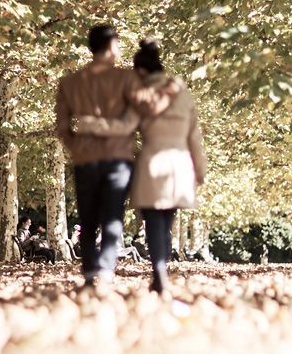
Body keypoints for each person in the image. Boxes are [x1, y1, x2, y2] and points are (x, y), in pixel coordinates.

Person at [76, 38, 207, 295]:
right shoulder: (184, 95)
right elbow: (195, 136)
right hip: (180, 164)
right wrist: (200, 170)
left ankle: (159, 271)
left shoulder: (143, 96)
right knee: (166, 222)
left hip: (152, 163)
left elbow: (124, 125)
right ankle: (161, 270)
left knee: (154, 221)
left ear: (142, 72)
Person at [55, 24, 180, 289]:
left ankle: (89, 276)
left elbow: (62, 128)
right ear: (111, 46)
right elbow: (150, 105)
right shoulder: (126, 79)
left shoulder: (70, 82)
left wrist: (77, 146)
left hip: (84, 158)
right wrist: (170, 89)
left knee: (88, 219)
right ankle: (106, 272)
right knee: (113, 217)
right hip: (118, 159)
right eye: (119, 44)